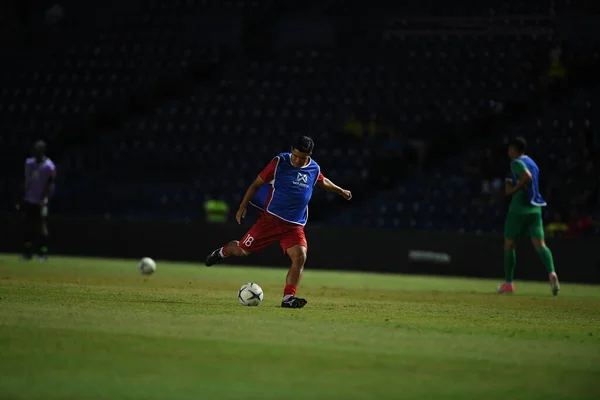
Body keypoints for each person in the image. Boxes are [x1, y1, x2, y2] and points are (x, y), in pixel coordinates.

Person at [204, 136, 352, 308]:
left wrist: (341, 191)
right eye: (295, 155)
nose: (297, 160)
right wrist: (243, 206)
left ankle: (288, 298)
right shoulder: (279, 162)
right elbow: (256, 184)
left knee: (300, 256)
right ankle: (221, 252)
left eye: (302, 158)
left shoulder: (313, 168)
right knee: (241, 250)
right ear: (291, 150)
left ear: (309, 156)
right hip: (270, 221)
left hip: (294, 226)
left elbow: (322, 180)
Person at [499, 137, 560, 295]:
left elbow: (526, 177)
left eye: (510, 149)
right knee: (540, 245)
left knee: (509, 245)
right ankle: (552, 273)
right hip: (535, 208)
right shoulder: (533, 163)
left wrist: (513, 190)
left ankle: (508, 283)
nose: (508, 152)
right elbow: (530, 180)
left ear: (514, 149)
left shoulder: (516, 163)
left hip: (519, 207)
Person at [18, 140, 56, 261]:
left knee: (42, 226)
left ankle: (43, 252)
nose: (36, 152)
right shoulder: (29, 163)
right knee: (27, 225)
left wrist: (43, 198)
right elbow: (25, 180)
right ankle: (27, 252)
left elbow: (50, 183)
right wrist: (22, 196)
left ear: (42, 151)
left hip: (41, 201)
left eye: (38, 150)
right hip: (29, 199)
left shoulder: (49, 166)